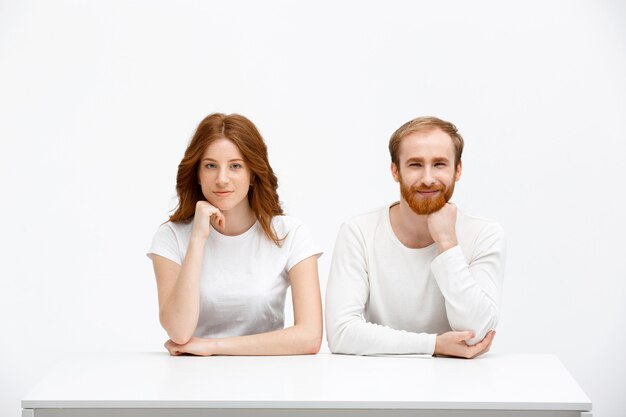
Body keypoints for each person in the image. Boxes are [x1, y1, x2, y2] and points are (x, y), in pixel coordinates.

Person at [325, 116, 505, 358]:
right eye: (415, 165)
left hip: (460, 385)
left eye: (440, 164)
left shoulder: (484, 235)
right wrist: (434, 345)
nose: (428, 178)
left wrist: (447, 242)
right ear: (395, 171)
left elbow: (474, 332)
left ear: (458, 170)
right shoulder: (358, 232)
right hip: (377, 383)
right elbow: (341, 333)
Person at [148, 113, 323, 356]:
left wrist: (212, 346)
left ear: (252, 174)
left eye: (235, 166)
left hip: (268, 377)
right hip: (191, 380)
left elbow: (310, 337)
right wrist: (197, 239)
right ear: (197, 174)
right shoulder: (170, 237)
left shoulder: (290, 234)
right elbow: (179, 331)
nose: (221, 179)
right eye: (210, 166)